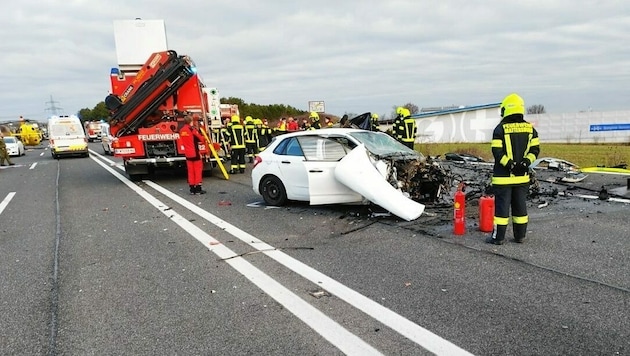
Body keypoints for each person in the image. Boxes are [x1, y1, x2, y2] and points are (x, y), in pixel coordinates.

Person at [486, 93, 540, 245]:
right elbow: (535, 150)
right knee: (520, 207)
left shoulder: (500, 129)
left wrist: (510, 165)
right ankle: (520, 236)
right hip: (522, 178)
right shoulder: (530, 129)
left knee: (502, 210)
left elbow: (497, 152)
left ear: (506, 109)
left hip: (503, 177)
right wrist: (524, 164)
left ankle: (498, 238)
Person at [179, 115, 206, 194]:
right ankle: (198, 188)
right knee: (197, 171)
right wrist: (204, 138)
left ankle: (192, 188)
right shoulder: (191, 129)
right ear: (191, 121)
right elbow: (200, 139)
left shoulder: (182, 130)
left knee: (190, 171)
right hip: (195, 152)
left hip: (187, 153)